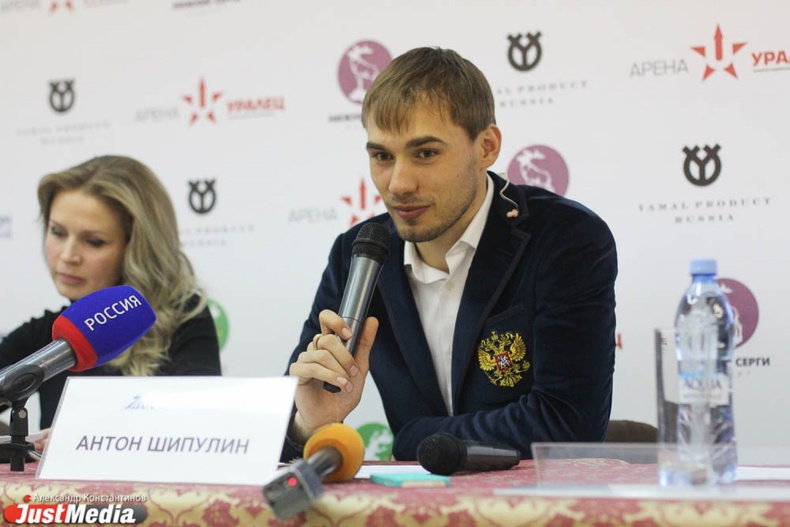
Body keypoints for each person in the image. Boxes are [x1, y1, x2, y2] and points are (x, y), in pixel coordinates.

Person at [282, 47, 617, 462]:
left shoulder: (565, 238)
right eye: (382, 156)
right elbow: (279, 426)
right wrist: (308, 424)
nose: (399, 184)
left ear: (486, 147)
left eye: (425, 153)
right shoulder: (358, 255)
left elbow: (567, 423)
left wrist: (414, 438)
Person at [0, 155, 222, 450]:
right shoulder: (49, 333)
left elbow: (203, 427)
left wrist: (97, 435)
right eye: (57, 232)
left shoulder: (185, 319)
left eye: (94, 241)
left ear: (137, 248)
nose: (67, 255)